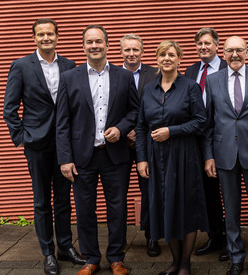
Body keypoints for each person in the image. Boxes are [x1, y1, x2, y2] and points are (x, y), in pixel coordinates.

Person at [3, 18, 85, 275]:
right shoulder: (20, 66)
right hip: (36, 144)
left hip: (64, 145)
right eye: (41, 34)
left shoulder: (70, 65)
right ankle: (48, 252)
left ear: (57, 36)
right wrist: (22, 138)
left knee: (63, 200)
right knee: (41, 201)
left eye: (50, 33)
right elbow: (9, 109)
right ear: (34, 38)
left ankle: (65, 247)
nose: (46, 38)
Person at [56, 25, 139, 275]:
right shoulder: (71, 77)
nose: (95, 46)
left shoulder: (123, 76)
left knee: (117, 208)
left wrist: (122, 129)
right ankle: (91, 258)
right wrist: (64, 159)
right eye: (90, 42)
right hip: (82, 156)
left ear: (107, 45)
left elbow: (135, 112)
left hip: (115, 155)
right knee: (85, 210)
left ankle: (116, 258)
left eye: (99, 41)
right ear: (83, 46)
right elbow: (63, 121)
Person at [203, 36, 248, 275]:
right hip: (224, 155)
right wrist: (209, 156)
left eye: (239, 50)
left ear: (247, 52)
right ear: (222, 53)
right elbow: (209, 123)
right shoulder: (213, 80)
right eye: (230, 50)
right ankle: (236, 259)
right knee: (231, 212)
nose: (235, 55)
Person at [136, 40, 208, 275]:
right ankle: (175, 262)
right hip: (156, 159)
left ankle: (185, 265)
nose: (166, 58)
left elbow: (200, 121)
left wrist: (172, 131)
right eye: (162, 55)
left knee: (185, 207)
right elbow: (141, 127)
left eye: (171, 55)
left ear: (179, 59)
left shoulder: (190, 87)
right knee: (164, 207)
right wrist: (142, 159)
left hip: (184, 156)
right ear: (156, 59)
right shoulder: (148, 89)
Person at [184, 27, 229, 261]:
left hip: (224, 139)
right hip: (197, 140)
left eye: (207, 43)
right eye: (199, 43)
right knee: (208, 192)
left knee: (229, 193)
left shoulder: (226, 67)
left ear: (216, 45)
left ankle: (232, 241)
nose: (203, 47)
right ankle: (215, 236)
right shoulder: (191, 70)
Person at [120, 33, 160, 257]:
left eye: (135, 49)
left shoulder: (155, 74)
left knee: (150, 191)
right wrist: (127, 131)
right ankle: (120, 236)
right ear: (121, 52)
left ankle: (152, 236)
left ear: (142, 51)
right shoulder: (113, 74)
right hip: (121, 143)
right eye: (127, 50)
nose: (131, 54)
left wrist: (141, 131)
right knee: (118, 192)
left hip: (149, 141)